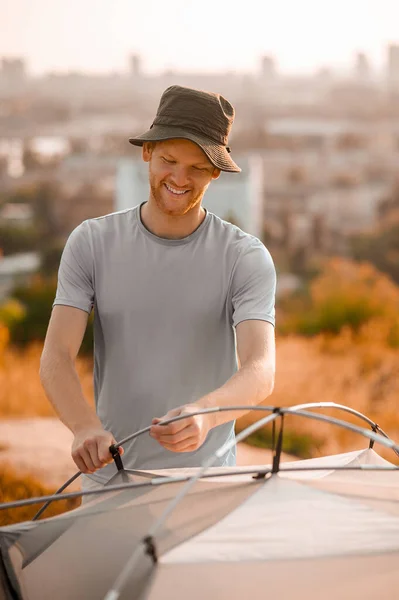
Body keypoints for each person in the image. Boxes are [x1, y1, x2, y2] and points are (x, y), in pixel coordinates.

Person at [39, 85, 276, 494]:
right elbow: (56, 356)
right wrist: (84, 428)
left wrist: (206, 413)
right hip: (110, 480)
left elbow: (261, 368)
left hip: (204, 484)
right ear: (146, 153)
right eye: (169, 160)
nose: (180, 179)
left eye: (198, 167)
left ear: (216, 172)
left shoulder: (244, 256)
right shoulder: (92, 242)